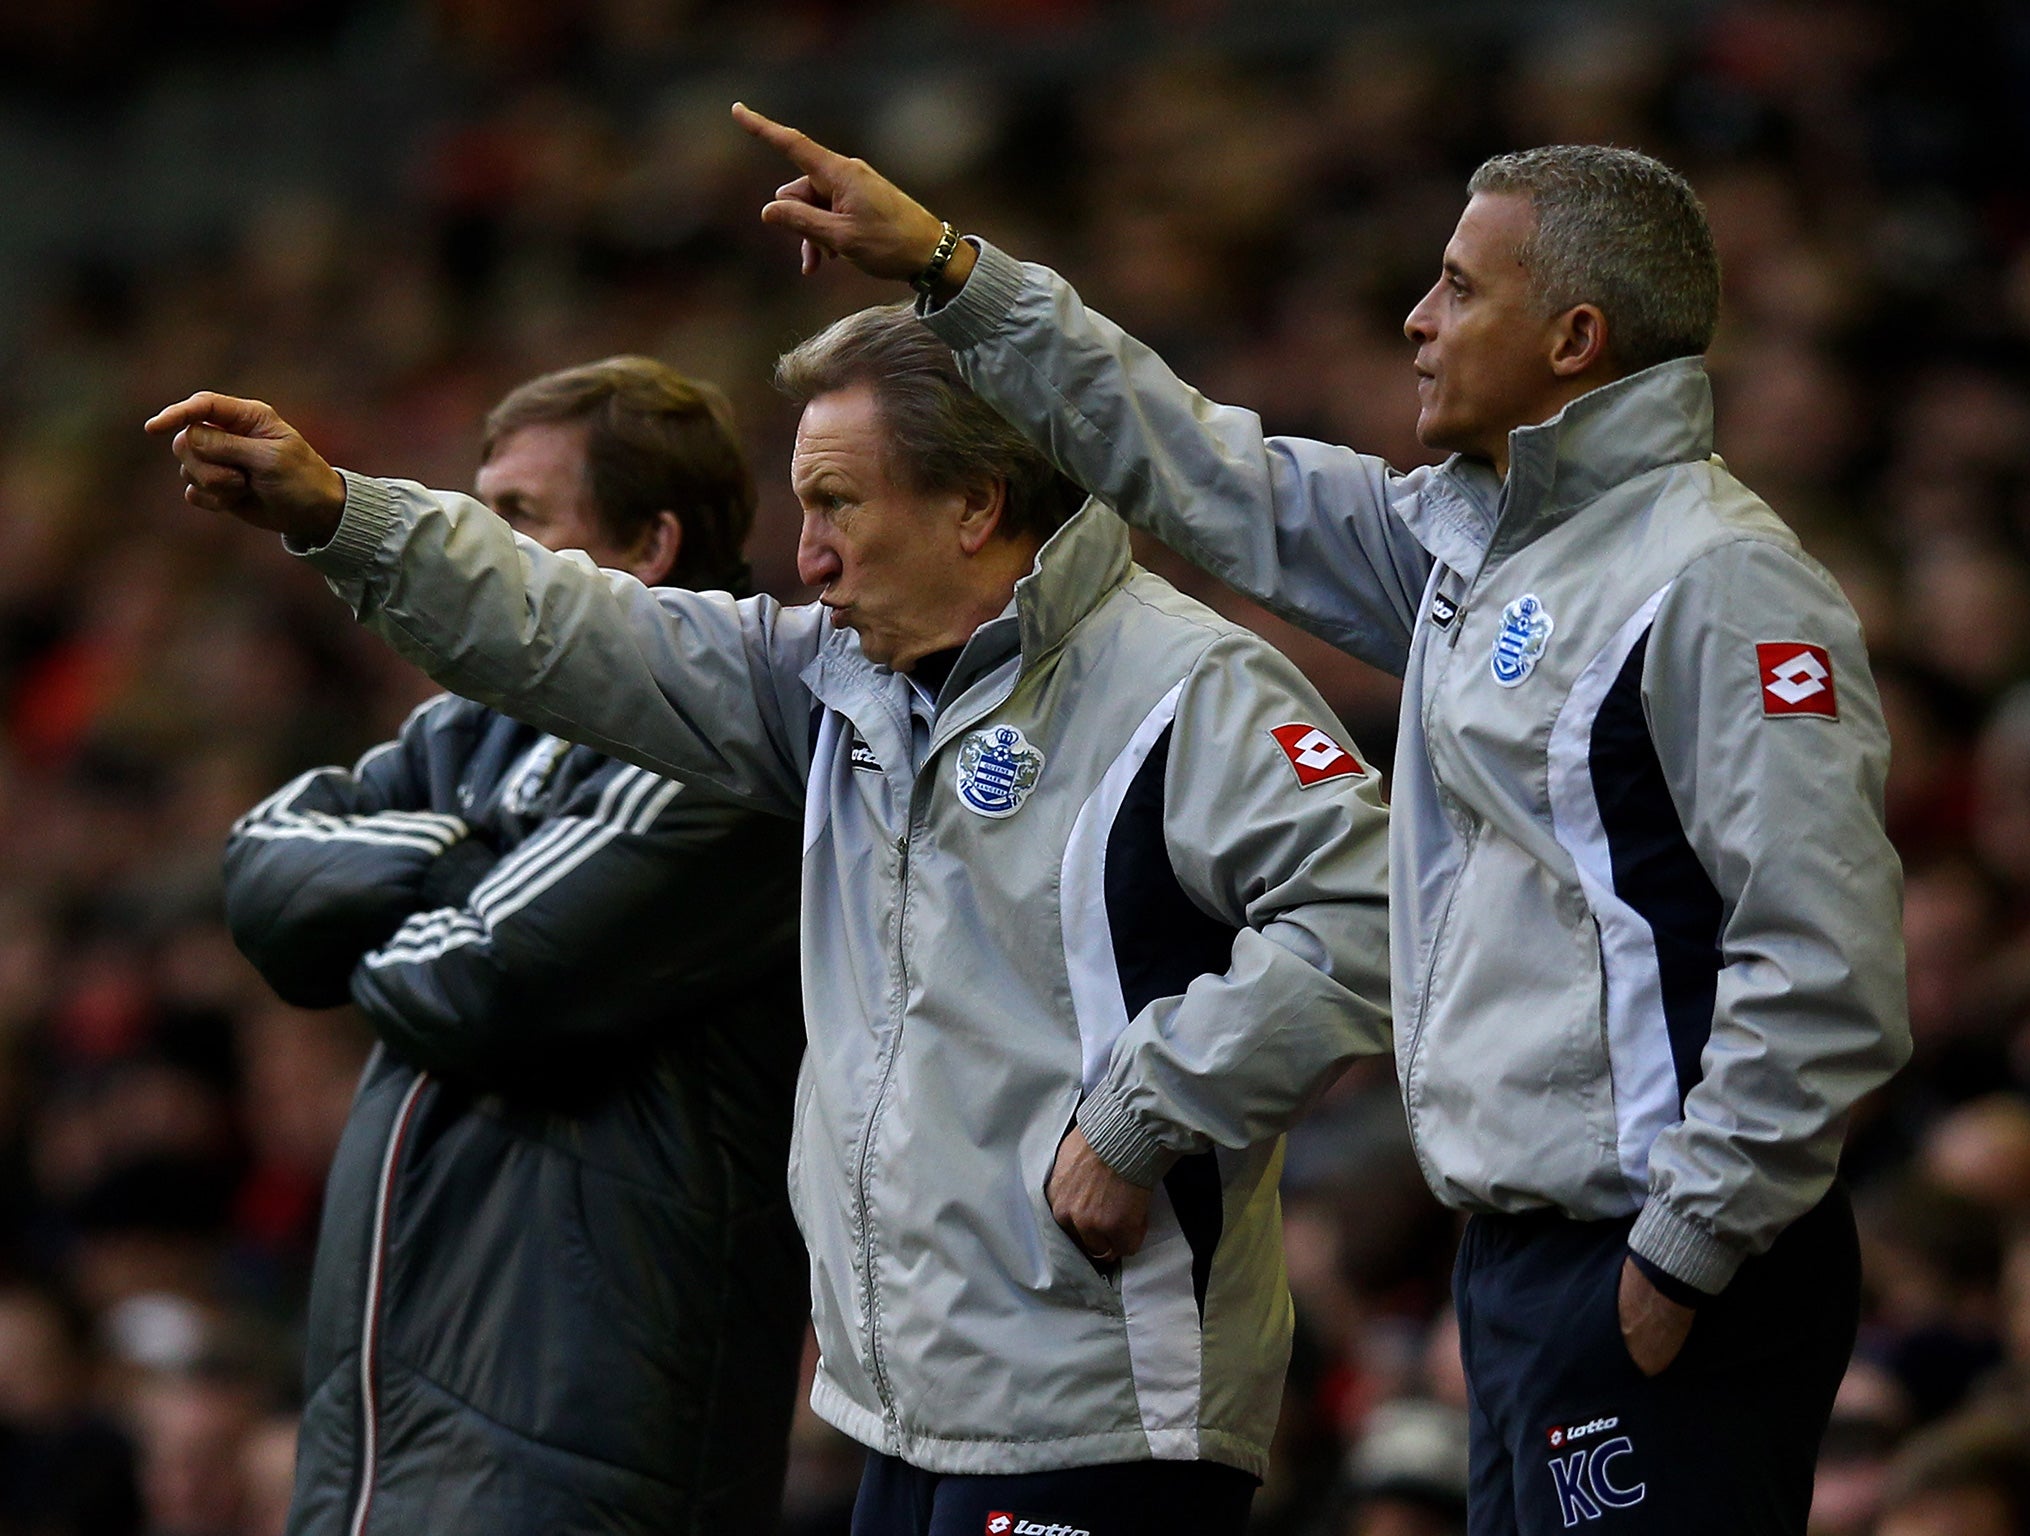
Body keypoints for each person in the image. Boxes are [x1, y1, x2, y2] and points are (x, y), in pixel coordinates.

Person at [730, 105, 1913, 1534]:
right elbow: (1196, 463)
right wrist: (951, 269)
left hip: (1661, 1252)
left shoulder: (1721, 582)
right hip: (1531, 1257)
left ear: (1576, 341)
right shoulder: (1463, 551)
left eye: (1462, 289)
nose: (1419, 320)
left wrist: (1682, 1252)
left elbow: (1829, 971)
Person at [148, 302, 1396, 1536]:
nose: (806, 557)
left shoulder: (1185, 686)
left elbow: (1370, 909)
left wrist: (1142, 1113)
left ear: (975, 505)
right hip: (901, 1418)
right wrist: (336, 512)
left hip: (1101, 1408)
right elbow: (566, 623)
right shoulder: (827, 687)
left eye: (838, 505)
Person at [218, 358, 809, 1535]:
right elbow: (259, 871)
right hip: (391, 1433)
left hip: (579, 1439)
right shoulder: (467, 727)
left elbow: (476, 978)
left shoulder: (735, 747)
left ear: (647, 545)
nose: (470, 552)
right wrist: (471, 858)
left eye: (517, 521)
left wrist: (395, 906)